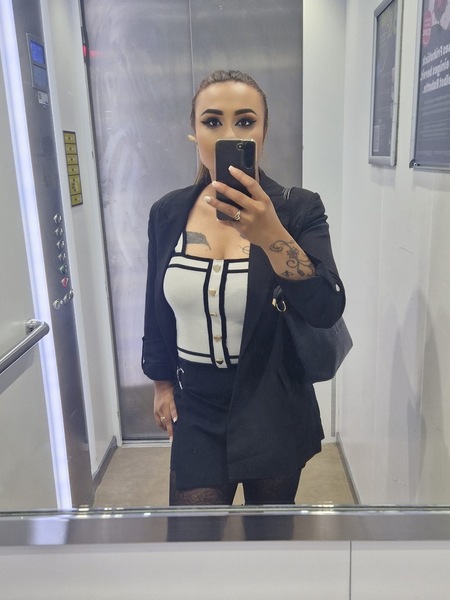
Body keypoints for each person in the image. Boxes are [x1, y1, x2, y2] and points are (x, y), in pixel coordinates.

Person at [141, 69, 345, 506]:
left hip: (272, 400)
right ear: (194, 133)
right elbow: (154, 306)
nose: (229, 134)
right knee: (191, 533)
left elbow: (326, 307)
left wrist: (271, 234)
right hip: (196, 402)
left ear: (264, 132)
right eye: (212, 121)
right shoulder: (167, 212)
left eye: (246, 121)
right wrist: (161, 382)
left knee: (268, 534)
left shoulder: (298, 208)